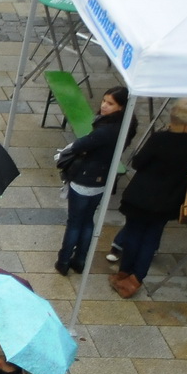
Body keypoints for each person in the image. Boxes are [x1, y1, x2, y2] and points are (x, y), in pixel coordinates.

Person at [109, 99, 187, 299]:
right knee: (151, 238)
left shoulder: (160, 138)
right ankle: (136, 280)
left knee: (134, 234)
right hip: (170, 198)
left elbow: (138, 162)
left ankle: (123, 272)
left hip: (142, 195)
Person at [54, 87, 131, 276]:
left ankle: (64, 261)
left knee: (75, 222)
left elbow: (81, 145)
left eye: (110, 103)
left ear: (121, 107)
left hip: (85, 178)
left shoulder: (105, 130)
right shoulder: (127, 125)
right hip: (103, 180)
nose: (104, 105)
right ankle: (80, 260)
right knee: (88, 220)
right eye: (104, 100)